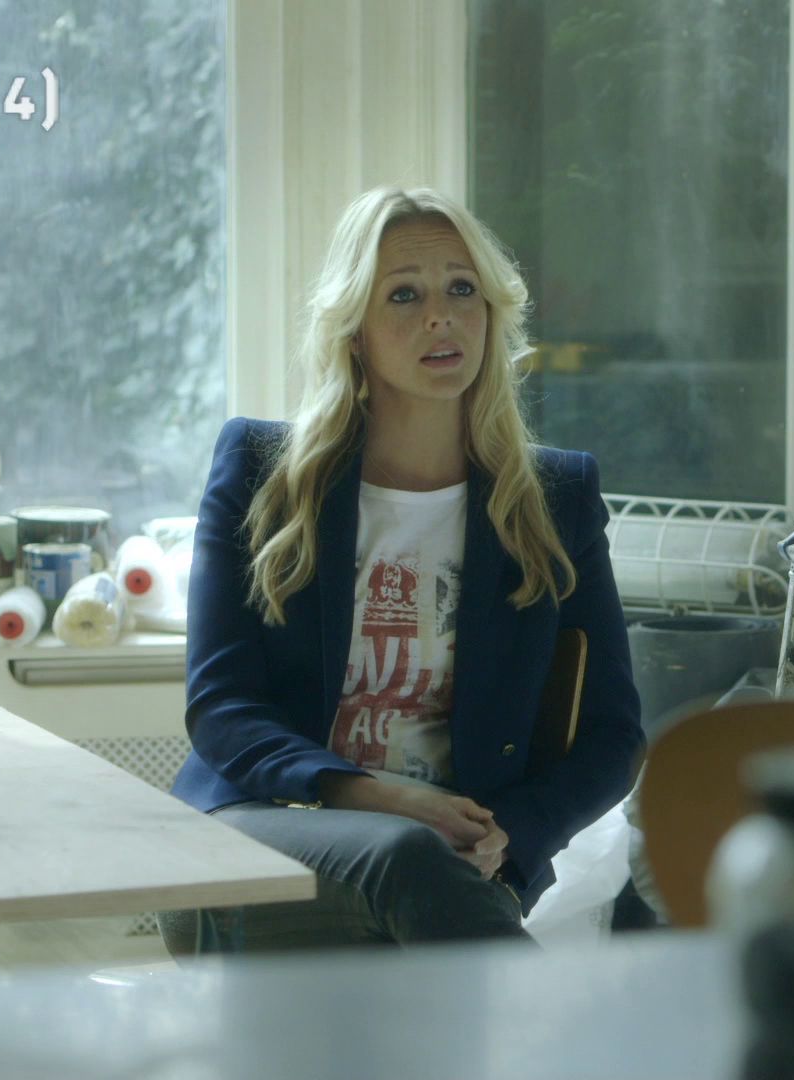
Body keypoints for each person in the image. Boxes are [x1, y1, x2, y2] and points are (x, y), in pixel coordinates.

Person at [166, 186, 644, 948]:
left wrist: (508, 834)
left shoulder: (556, 496)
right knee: (407, 855)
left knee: (422, 872)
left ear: (490, 312)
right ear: (354, 330)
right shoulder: (263, 470)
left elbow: (612, 738)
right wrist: (379, 799)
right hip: (261, 833)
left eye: (462, 289)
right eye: (404, 295)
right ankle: (556, 1025)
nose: (440, 317)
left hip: (453, 868)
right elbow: (221, 706)